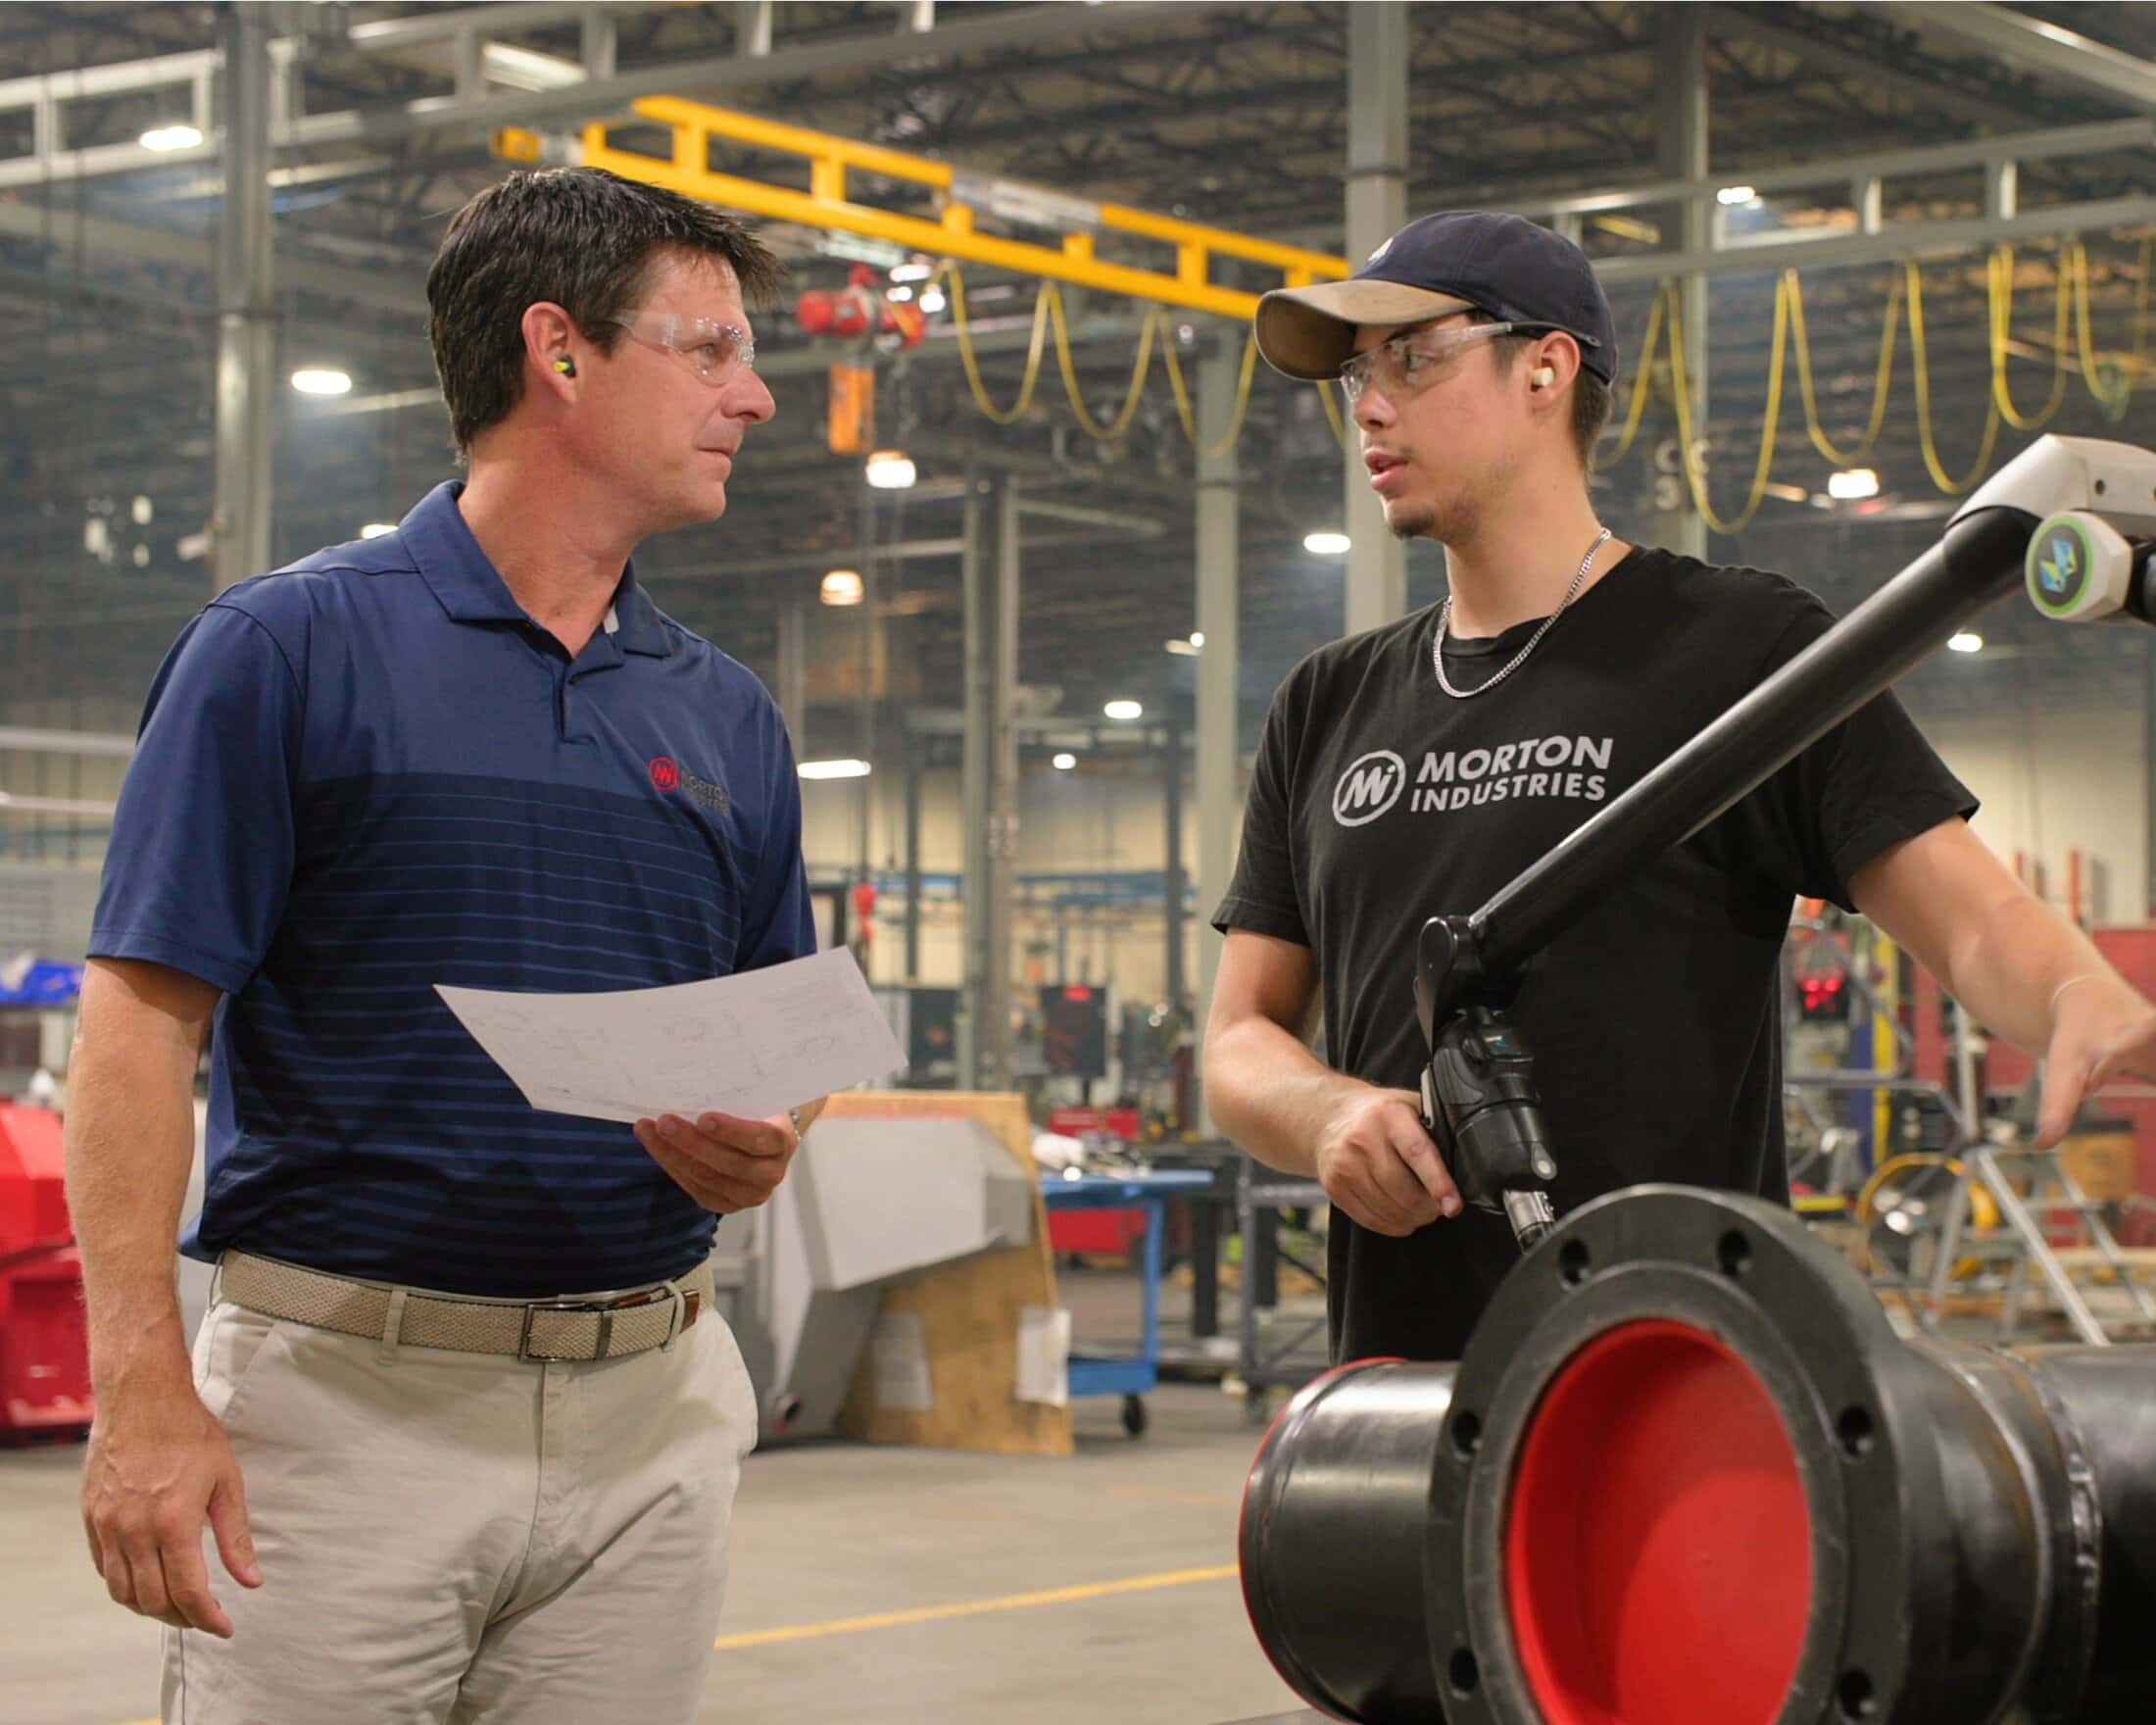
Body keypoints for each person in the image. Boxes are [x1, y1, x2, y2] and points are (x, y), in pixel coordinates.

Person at [66, 166, 821, 1725]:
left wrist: (767, 1133)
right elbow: (139, 1026)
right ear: (560, 350)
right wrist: (138, 1388)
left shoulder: (724, 713)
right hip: (344, 1423)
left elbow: (779, 1031)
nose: (751, 397)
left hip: (650, 1415)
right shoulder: (286, 652)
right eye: (708, 349)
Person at [1203, 210, 2156, 1364]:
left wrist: (2072, 994)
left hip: (1680, 1389)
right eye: (1357, 371)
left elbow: (1969, 915)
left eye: (1412, 355)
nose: (1368, 402)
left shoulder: (1734, 649)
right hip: (1396, 1403)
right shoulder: (1327, 703)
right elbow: (1240, 1035)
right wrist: (1328, 1113)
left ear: (1545, 368)